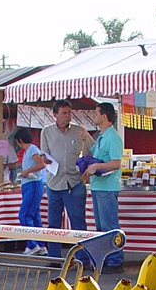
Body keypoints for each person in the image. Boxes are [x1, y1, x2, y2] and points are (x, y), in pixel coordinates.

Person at [39, 100, 95, 260]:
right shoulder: (46, 132)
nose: (67, 116)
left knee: (78, 224)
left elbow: (93, 149)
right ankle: (54, 258)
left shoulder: (79, 131)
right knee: (53, 224)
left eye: (69, 112)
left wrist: (84, 145)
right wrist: (45, 158)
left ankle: (83, 259)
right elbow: (44, 154)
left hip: (74, 182)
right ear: (55, 115)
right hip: (54, 183)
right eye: (64, 113)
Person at [82, 103, 124, 271]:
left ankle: (116, 260)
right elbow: (90, 155)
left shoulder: (112, 137)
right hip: (98, 187)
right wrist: (84, 140)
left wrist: (96, 167)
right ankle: (106, 258)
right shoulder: (102, 136)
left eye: (96, 113)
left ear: (104, 116)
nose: (94, 116)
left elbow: (116, 163)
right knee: (101, 227)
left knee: (109, 226)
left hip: (107, 187)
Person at [13, 128, 47, 255]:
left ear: (20, 140)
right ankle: (41, 244)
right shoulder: (28, 151)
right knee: (35, 216)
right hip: (29, 185)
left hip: (32, 184)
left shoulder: (32, 149)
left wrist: (27, 171)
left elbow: (42, 164)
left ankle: (32, 244)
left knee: (25, 214)